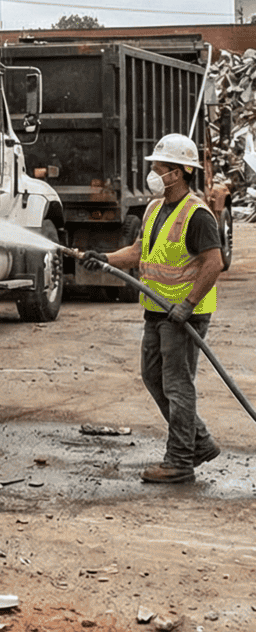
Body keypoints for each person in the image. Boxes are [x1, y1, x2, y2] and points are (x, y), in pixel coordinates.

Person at [83, 133, 224, 483]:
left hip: (183, 314)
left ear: (177, 173)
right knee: (153, 377)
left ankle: (179, 461)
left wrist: (188, 304)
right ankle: (200, 441)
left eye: (159, 168)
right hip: (157, 310)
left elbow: (214, 263)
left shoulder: (198, 215)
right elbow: (138, 251)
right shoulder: (155, 208)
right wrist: (104, 259)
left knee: (177, 384)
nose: (154, 173)